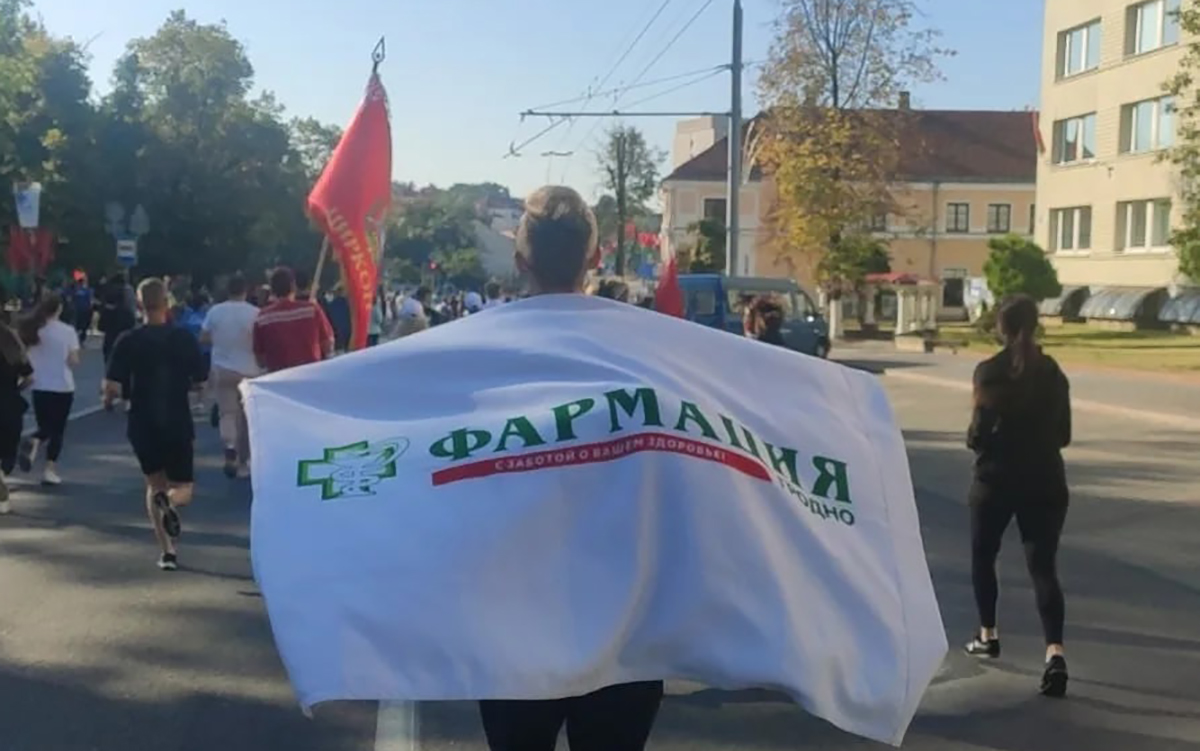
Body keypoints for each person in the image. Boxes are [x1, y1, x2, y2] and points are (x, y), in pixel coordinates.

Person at [476, 186, 663, 751]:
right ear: (595, 257)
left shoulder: (476, 357)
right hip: (623, 626)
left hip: (515, 624)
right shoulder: (649, 355)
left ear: (519, 260)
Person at [965, 294, 1072, 699]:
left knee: (983, 556)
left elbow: (977, 436)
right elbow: (1064, 435)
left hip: (996, 480)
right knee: (1043, 567)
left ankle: (988, 634)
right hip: (1045, 479)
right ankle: (1055, 653)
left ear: (1001, 327)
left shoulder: (988, 373)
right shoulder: (1053, 373)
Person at [105, 278, 208, 571]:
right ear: (168, 302)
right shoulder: (183, 338)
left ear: (139, 304)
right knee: (183, 487)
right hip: (176, 418)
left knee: (154, 484)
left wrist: (109, 400)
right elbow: (200, 378)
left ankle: (167, 552)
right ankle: (171, 502)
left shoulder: (128, 340)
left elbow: (112, 385)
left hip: (142, 421)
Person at [16, 294, 80, 486]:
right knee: (57, 430)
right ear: (59, 309)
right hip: (62, 385)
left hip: (39, 385)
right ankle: (49, 469)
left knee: (44, 425)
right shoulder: (67, 331)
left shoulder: (33, 330)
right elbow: (73, 360)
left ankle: (34, 440)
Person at [202, 274, 260, 478]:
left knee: (227, 413)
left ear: (228, 291)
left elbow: (204, 337)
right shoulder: (255, 313)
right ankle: (244, 461)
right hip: (250, 370)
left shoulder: (215, 311)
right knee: (247, 417)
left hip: (222, 368)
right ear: (246, 291)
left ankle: (229, 446)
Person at [253, 267, 335, 373]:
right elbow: (328, 344)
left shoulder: (263, 318)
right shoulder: (312, 310)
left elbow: (260, 360)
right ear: (294, 287)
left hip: (279, 377)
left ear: (272, 290)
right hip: (311, 374)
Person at [0, 320, 32, 513]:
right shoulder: (11, 342)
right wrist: (16, 390)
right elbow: (29, 377)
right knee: (8, 453)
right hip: (10, 404)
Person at [71, 275, 94, 344]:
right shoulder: (87, 290)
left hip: (81, 310)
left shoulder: (77, 290)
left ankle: (80, 339)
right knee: (81, 325)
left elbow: (90, 300)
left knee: (80, 325)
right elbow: (90, 301)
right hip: (81, 310)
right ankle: (80, 339)